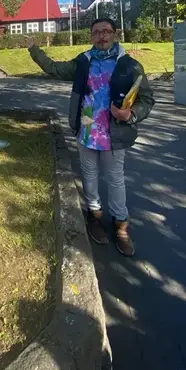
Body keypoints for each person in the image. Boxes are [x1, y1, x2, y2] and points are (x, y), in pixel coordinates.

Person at [28, 18, 154, 256]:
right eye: (96, 32)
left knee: (115, 178)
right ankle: (94, 215)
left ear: (115, 34)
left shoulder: (130, 65)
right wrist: (34, 49)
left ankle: (121, 225)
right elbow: (54, 68)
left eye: (106, 31)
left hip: (114, 132)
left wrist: (131, 114)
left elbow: (146, 99)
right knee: (89, 174)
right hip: (87, 129)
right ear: (91, 36)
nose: (101, 36)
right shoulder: (83, 61)